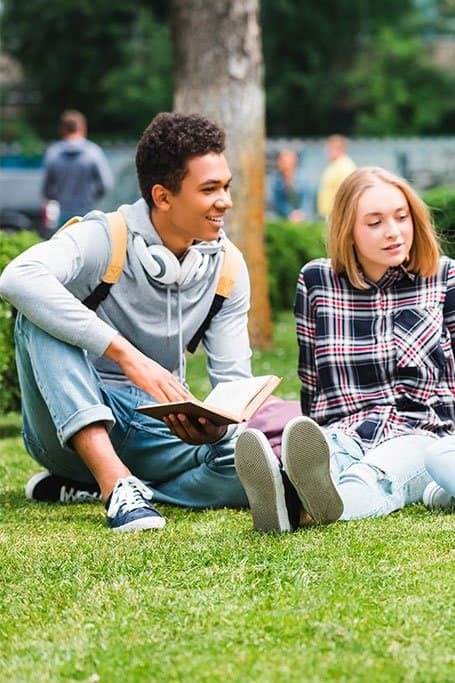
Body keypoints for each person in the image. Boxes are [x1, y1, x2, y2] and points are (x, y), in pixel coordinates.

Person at [0, 112, 252, 533]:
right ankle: (114, 484)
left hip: (161, 428)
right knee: (37, 315)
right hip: (70, 429)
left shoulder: (228, 266)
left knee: (242, 467)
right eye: (210, 189)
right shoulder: (104, 238)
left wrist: (215, 426)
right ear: (163, 197)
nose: (225, 200)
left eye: (226, 186)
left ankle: (133, 486)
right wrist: (126, 356)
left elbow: (233, 381)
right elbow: (17, 278)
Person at [235, 166, 455, 532]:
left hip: (422, 431)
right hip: (345, 428)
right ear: (348, 231)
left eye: (402, 217)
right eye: (375, 222)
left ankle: (299, 511)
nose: (394, 231)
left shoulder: (444, 276)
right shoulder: (316, 282)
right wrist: (314, 436)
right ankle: (285, 488)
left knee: (374, 475)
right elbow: (312, 379)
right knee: (328, 460)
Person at [42, 110, 113, 227]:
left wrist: (59, 197)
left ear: (62, 129)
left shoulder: (53, 153)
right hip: (87, 213)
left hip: (63, 213)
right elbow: (105, 184)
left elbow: (46, 189)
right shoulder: (93, 152)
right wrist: (91, 198)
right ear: (83, 128)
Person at [317, 134, 356, 220]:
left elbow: (347, 194)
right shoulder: (334, 165)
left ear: (341, 149)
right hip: (329, 214)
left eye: (331, 148)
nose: (328, 151)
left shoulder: (345, 167)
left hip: (337, 215)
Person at [271, 148, 309, 222]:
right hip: (282, 218)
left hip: (301, 217)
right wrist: (290, 213)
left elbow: (307, 200)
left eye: (290, 164)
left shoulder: (303, 179)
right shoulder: (275, 181)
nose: (287, 167)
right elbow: (276, 202)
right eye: (285, 164)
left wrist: (301, 214)